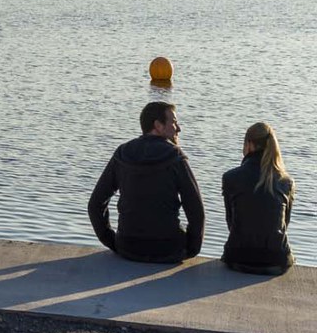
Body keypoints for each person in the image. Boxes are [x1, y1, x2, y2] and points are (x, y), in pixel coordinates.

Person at [87, 101, 204, 263]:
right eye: (174, 122)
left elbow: (95, 204)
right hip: (168, 249)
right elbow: (195, 209)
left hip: (128, 247)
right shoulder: (175, 157)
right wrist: (191, 249)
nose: (178, 128)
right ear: (158, 125)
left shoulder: (123, 153)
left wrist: (111, 240)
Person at [221, 122, 295, 275]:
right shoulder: (286, 182)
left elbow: (231, 222)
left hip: (238, 258)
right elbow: (284, 224)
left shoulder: (230, 178)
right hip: (276, 260)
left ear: (249, 145)